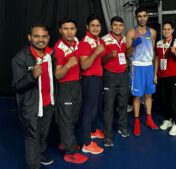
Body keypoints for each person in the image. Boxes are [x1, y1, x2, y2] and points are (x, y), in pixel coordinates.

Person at [12, 23, 55, 169]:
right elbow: (18, 85)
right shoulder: (20, 58)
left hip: (49, 103)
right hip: (31, 107)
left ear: (48, 38)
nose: (40, 40)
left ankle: (40, 154)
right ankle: (33, 165)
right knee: (32, 138)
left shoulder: (51, 54)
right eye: (36, 36)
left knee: (43, 135)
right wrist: (32, 76)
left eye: (44, 36)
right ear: (30, 37)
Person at [53, 18, 88, 163]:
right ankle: (70, 152)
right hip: (65, 87)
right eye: (66, 28)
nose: (69, 31)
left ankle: (65, 142)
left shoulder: (76, 43)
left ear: (76, 30)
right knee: (66, 119)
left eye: (72, 28)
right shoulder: (59, 48)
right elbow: (57, 75)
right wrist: (67, 65)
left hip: (76, 85)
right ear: (60, 30)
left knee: (73, 117)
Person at [126, 7, 159, 136]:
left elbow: (154, 52)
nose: (142, 18)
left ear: (147, 17)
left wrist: (155, 72)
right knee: (137, 96)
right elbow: (127, 54)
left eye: (144, 16)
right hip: (136, 66)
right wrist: (134, 45)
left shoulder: (153, 32)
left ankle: (149, 119)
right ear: (136, 17)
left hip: (149, 67)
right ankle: (137, 122)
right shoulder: (131, 33)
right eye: (139, 16)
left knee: (149, 95)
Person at [79, 14, 105, 154]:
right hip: (90, 79)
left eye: (98, 25)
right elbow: (84, 65)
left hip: (98, 78)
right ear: (87, 27)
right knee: (89, 111)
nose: (95, 28)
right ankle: (87, 144)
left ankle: (93, 131)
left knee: (96, 108)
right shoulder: (85, 42)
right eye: (92, 25)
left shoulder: (97, 40)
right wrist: (96, 52)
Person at [102, 16, 130, 146]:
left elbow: (128, 54)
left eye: (120, 25)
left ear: (123, 26)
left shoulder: (126, 39)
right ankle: (108, 135)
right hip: (110, 76)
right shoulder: (104, 40)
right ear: (111, 26)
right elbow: (101, 61)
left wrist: (133, 46)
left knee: (123, 104)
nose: (118, 27)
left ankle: (122, 127)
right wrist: (109, 55)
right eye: (115, 25)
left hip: (123, 75)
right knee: (108, 107)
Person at [154, 21, 176, 136]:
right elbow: (157, 58)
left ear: (172, 30)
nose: (166, 31)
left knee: (174, 101)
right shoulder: (159, 43)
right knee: (163, 100)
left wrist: (175, 52)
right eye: (164, 29)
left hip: (174, 76)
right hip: (161, 76)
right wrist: (155, 74)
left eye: (168, 29)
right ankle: (167, 120)